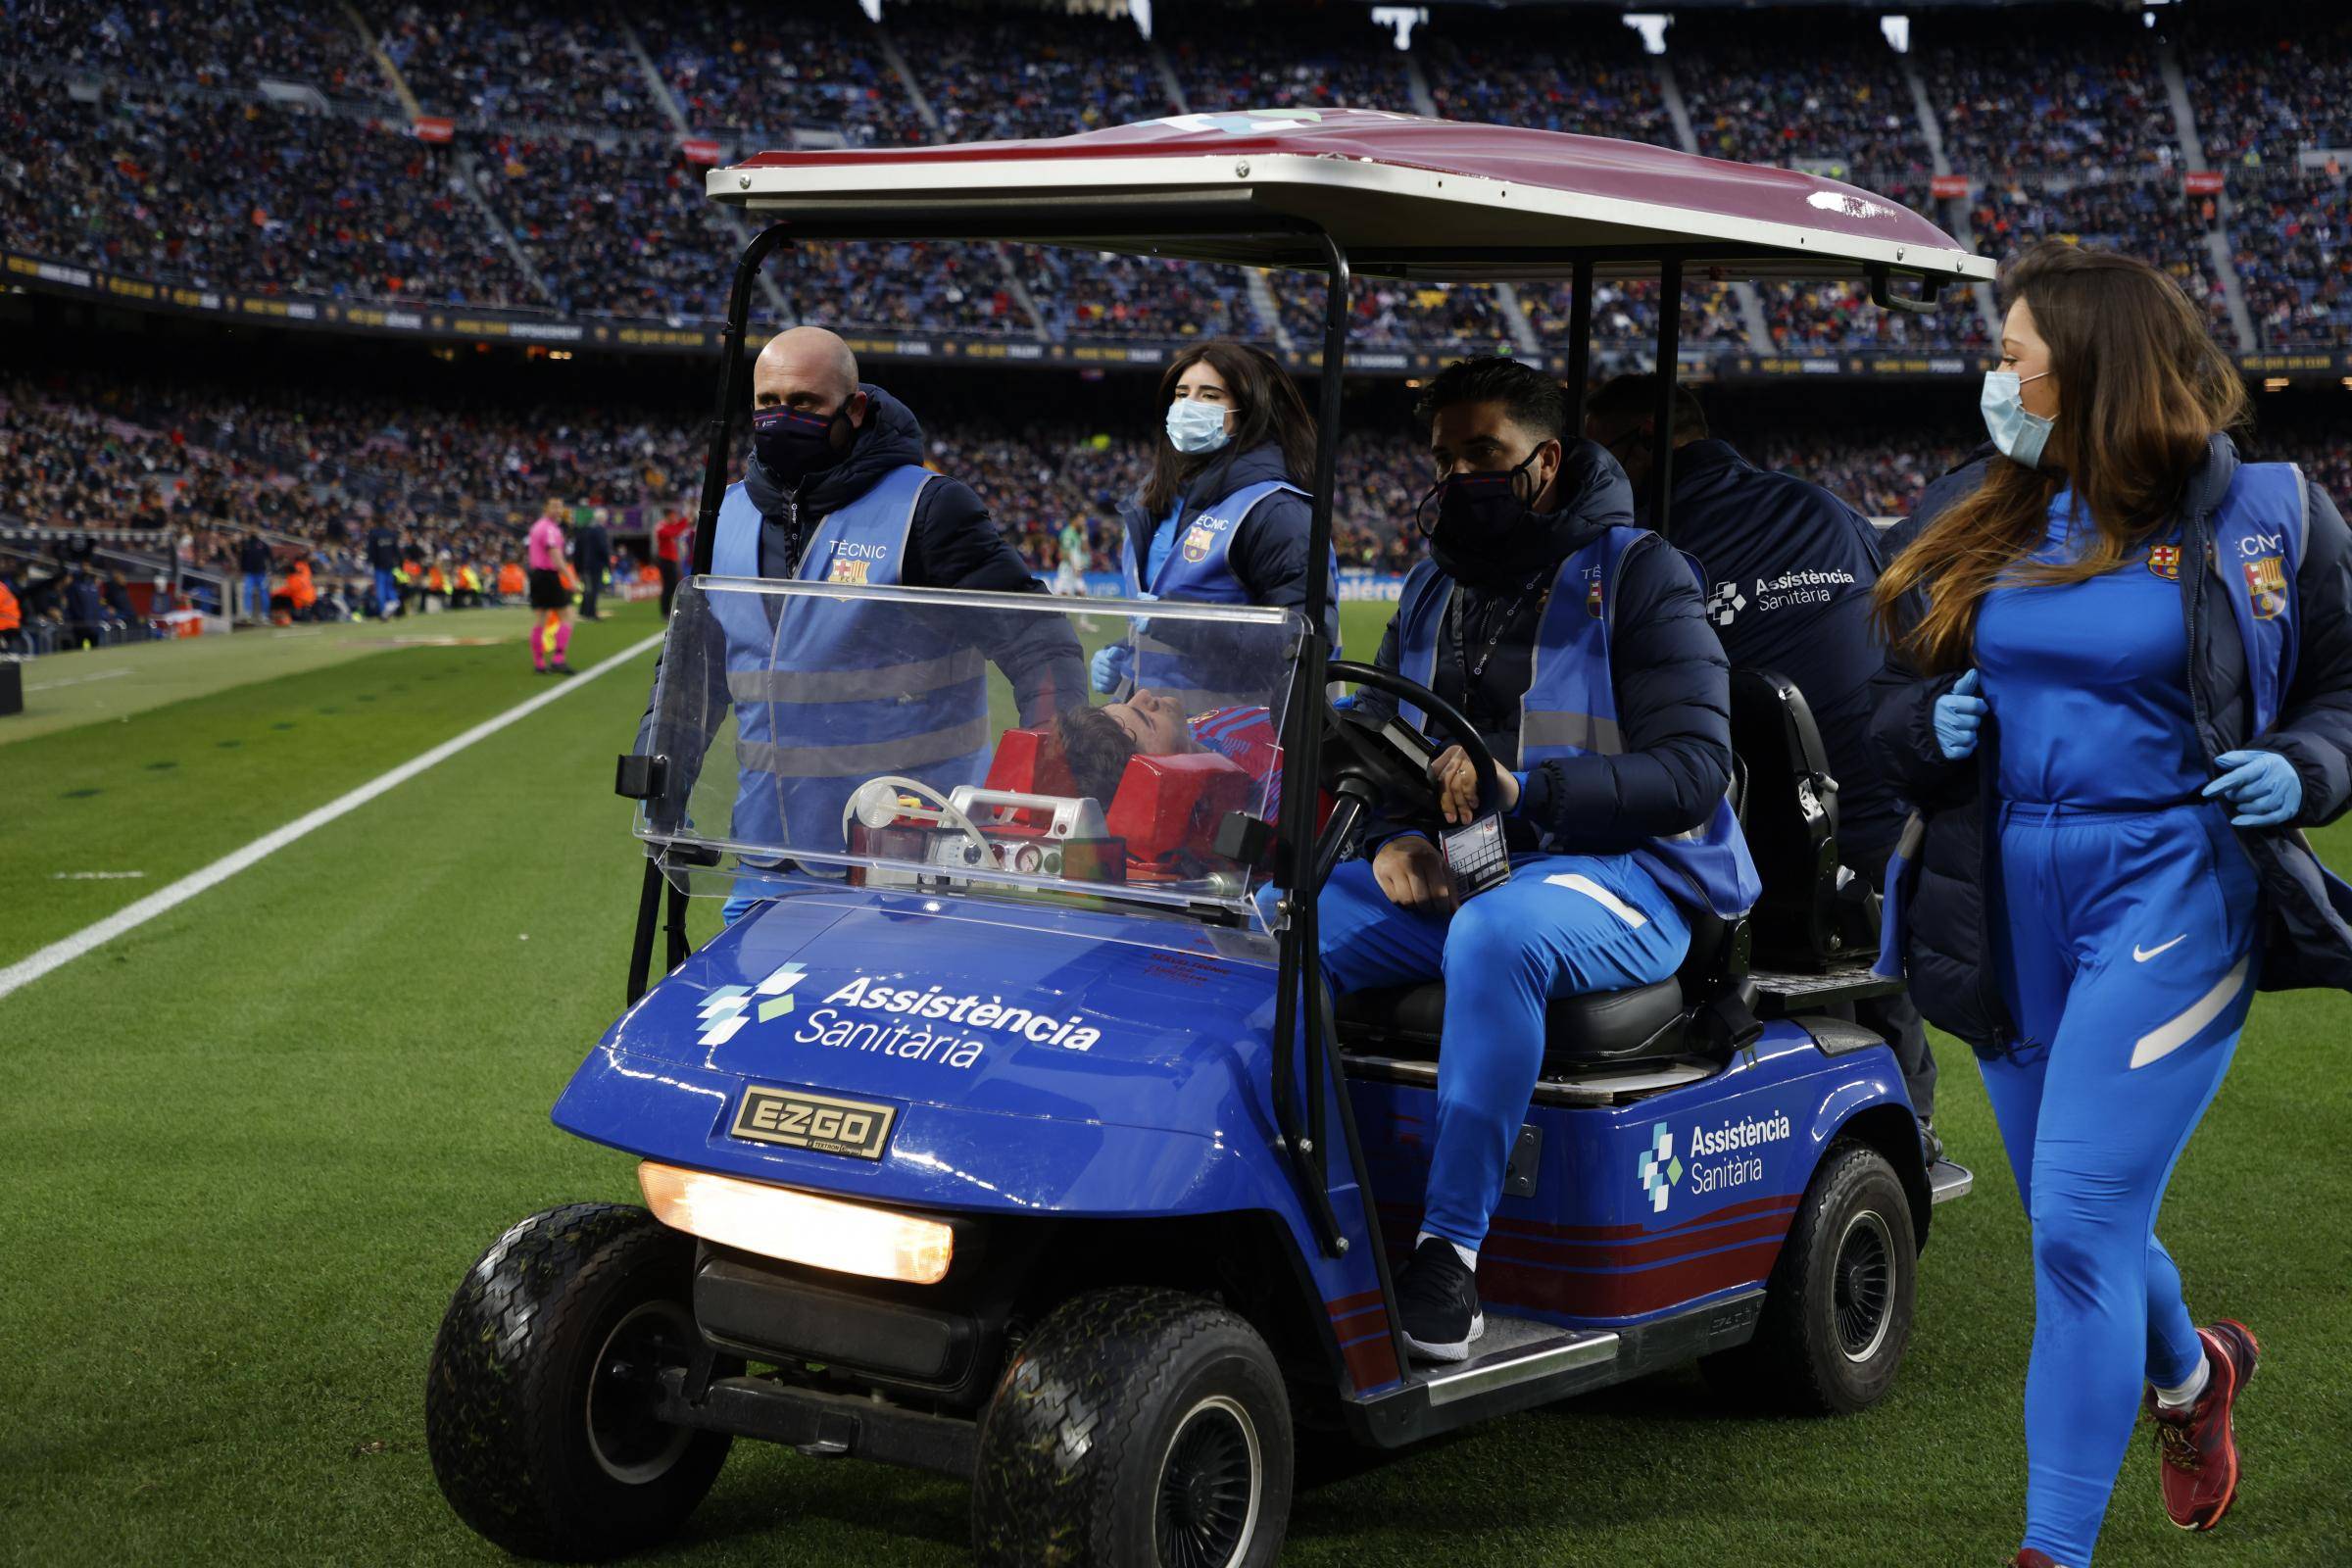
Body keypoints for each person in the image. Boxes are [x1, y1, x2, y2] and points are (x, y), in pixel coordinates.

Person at [1868, 243, 2352, 1568]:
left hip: (2174, 884)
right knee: (2079, 1217)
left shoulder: (2269, 513)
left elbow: (2344, 692)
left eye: (2015, 353)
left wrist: (2309, 765)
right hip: (2006, 896)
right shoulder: (1978, 506)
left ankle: (2053, 1551)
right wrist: (1933, 727)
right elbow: (1891, 700)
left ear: (2088, 369)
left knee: (2078, 1228)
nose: (1997, 378)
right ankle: (2193, 1376)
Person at [1321, 356, 1760, 1361]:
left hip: (1635, 878)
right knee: (1282, 919)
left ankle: (1449, 1251)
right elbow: (1381, 735)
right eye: (1445, 457)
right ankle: (1305, 1199)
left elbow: (1694, 769)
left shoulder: (1644, 574)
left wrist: (1533, 791)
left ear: (1547, 459)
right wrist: (1392, 842)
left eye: (1486, 452)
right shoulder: (1434, 586)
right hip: (1471, 868)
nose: (1461, 474)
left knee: (1496, 931)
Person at [1585, 373, 1940, 1157]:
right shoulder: (1828, 511)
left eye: (1599, 453)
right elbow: (1919, 655)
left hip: (1743, 849)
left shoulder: (1633, 554)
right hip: (1878, 829)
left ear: (1644, 444)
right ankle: (1907, 1124)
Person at [638, 325, 1086, 926]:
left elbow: (1040, 643)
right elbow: (692, 676)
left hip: (915, 862)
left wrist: (1049, 778)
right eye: (767, 404)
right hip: (767, 858)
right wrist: (660, 773)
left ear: (853, 407)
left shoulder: (927, 509)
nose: (781, 417)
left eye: (803, 404)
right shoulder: (726, 516)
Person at [1101, 341, 1337, 709]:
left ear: (1248, 411)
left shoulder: (1275, 511)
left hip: (1231, 745)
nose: (1188, 406)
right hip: (1152, 739)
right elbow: (1162, 609)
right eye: (1181, 394)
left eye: (1209, 395)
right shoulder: (1152, 502)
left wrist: (1173, 623)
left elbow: (1302, 641)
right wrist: (1127, 653)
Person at [1054, 689, 1284, 811]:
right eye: (1146, 719)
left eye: (1127, 702)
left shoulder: (1199, 731)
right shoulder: (1265, 803)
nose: (1143, 694)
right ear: (1160, 775)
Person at [526, 499, 575, 675]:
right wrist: (570, 578)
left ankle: (539, 663)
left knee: (541, 618)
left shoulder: (538, 526)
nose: (558, 510)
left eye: (560, 507)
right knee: (568, 616)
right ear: (545, 507)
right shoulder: (549, 529)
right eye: (554, 506)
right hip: (547, 575)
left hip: (537, 575)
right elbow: (555, 555)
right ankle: (558, 659)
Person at [655, 509, 693, 618]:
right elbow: (675, 531)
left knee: (672, 585)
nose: (675, 519)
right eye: (674, 516)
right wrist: (685, 521)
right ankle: (665, 612)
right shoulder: (661, 527)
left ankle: (668, 610)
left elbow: (676, 528)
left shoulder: (667, 526)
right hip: (665, 561)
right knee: (668, 586)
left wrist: (686, 519)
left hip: (671, 561)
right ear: (668, 516)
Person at [575, 507, 612, 620]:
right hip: (595, 564)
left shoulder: (587, 530)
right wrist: (607, 561)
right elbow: (602, 548)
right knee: (593, 589)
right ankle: (590, 613)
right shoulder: (599, 530)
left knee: (588, 588)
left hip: (586, 563)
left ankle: (584, 611)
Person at [364, 512, 401, 620]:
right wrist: (399, 562)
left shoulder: (373, 534)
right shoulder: (390, 533)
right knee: (390, 586)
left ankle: (383, 611)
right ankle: (394, 604)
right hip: (390, 564)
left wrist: (369, 562)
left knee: (380, 588)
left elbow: (371, 550)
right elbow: (396, 550)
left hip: (379, 565)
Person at [238, 531, 271, 625]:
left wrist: (270, 570)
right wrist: (242, 570)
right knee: (248, 592)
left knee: (264, 594)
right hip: (250, 574)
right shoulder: (246, 544)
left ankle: (264, 615)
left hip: (261, 573)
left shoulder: (262, 544)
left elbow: (269, 556)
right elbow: (243, 558)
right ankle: (247, 614)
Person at [1053, 518, 1091, 596]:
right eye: (1081, 520)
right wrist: (1075, 566)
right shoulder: (1068, 533)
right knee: (1064, 593)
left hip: (1075, 566)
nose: (1083, 522)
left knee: (1081, 591)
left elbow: (1084, 550)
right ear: (1074, 520)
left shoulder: (1077, 534)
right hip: (1067, 567)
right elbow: (1066, 551)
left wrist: (1084, 535)